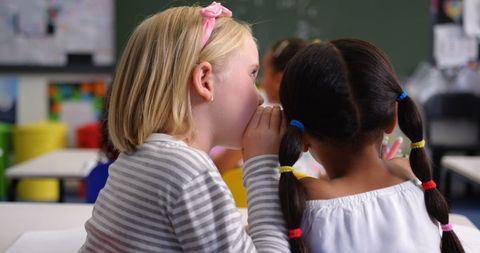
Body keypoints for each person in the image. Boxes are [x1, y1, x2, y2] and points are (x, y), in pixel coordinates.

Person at [79, 2, 289, 252]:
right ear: (204, 80)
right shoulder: (189, 173)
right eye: (252, 75)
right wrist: (263, 165)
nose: (260, 98)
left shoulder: (138, 157)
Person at [277, 39, 465, 252]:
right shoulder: (411, 171)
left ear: (298, 135)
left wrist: (262, 157)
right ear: (394, 118)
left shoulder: (309, 194)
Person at [214, 37, 323, 178]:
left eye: (262, 73)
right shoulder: (315, 119)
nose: (261, 81)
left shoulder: (261, 113)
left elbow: (219, 167)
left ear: (278, 80)